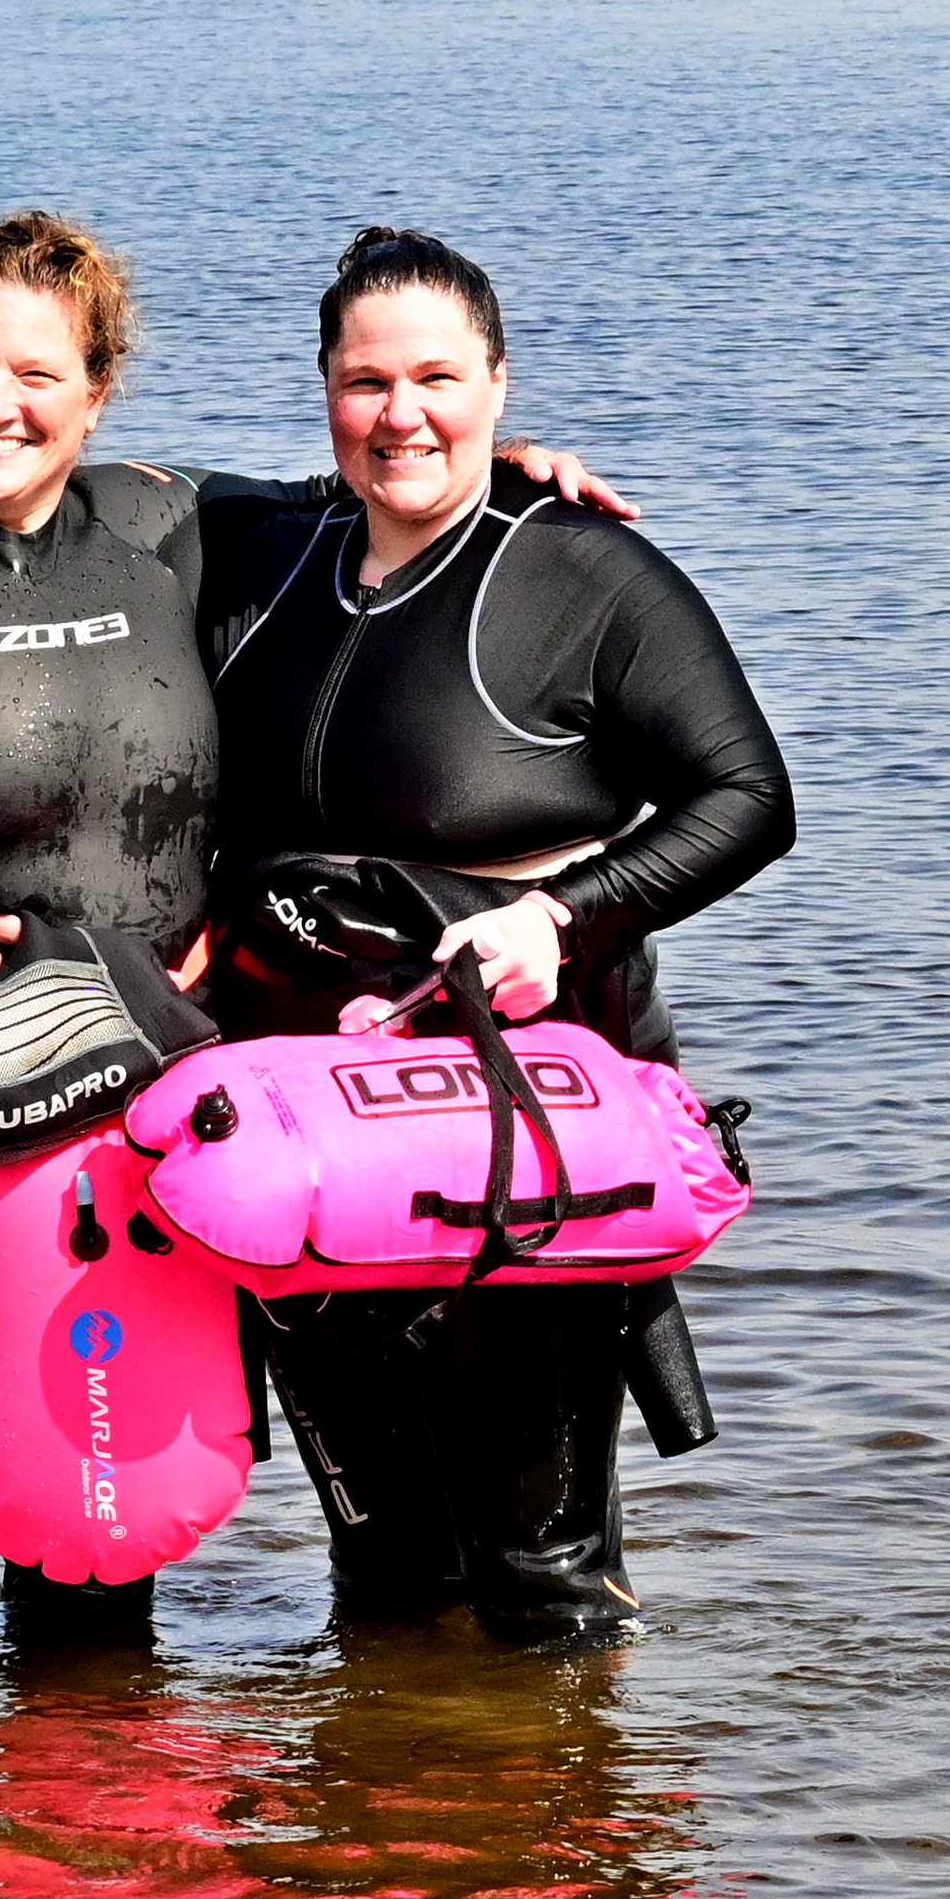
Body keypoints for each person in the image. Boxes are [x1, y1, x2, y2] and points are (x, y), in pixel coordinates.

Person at [0, 210, 624, 1656]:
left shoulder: (165, 523)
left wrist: (512, 479)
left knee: (92, 1531)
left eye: (35, 373)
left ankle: (93, 1862)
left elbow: (382, 491)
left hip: (113, 1104)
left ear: (96, 391)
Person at [202, 226, 794, 1644]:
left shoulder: (577, 573)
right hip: (309, 1116)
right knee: (389, 1567)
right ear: (323, 392)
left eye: (437, 379)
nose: (400, 412)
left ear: (499, 382)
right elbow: (98, 494)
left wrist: (564, 914)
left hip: (520, 1097)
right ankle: (402, 1842)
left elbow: (749, 797)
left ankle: (573, 1844)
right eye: (365, 381)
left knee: (539, 1577)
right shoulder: (271, 554)